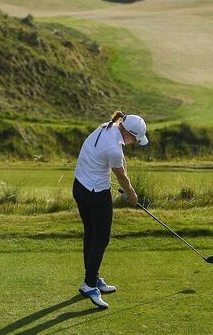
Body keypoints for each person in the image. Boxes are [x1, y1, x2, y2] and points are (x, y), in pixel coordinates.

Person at [73, 110, 148, 309]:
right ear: (129, 133)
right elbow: (121, 176)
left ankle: (92, 278)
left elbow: (122, 162)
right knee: (101, 237)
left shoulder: (110, 126)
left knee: (91, 233)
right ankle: (89, 284)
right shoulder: (113, 148)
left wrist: (126, 185)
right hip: (95, 193)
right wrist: (132, 194)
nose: (135, 142)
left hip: (79, 187)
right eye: (136, 139)